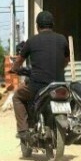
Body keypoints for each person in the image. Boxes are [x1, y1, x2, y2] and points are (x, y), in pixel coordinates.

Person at [10, 11, 70, 141]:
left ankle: (23, 131)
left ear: (37, 26)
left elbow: (19, 60)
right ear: (52, 24)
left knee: (17, 97)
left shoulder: (32, 41)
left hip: (38, 86)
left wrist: (14, 68)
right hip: (59, 84)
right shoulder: (62, 39)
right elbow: (66, 60)